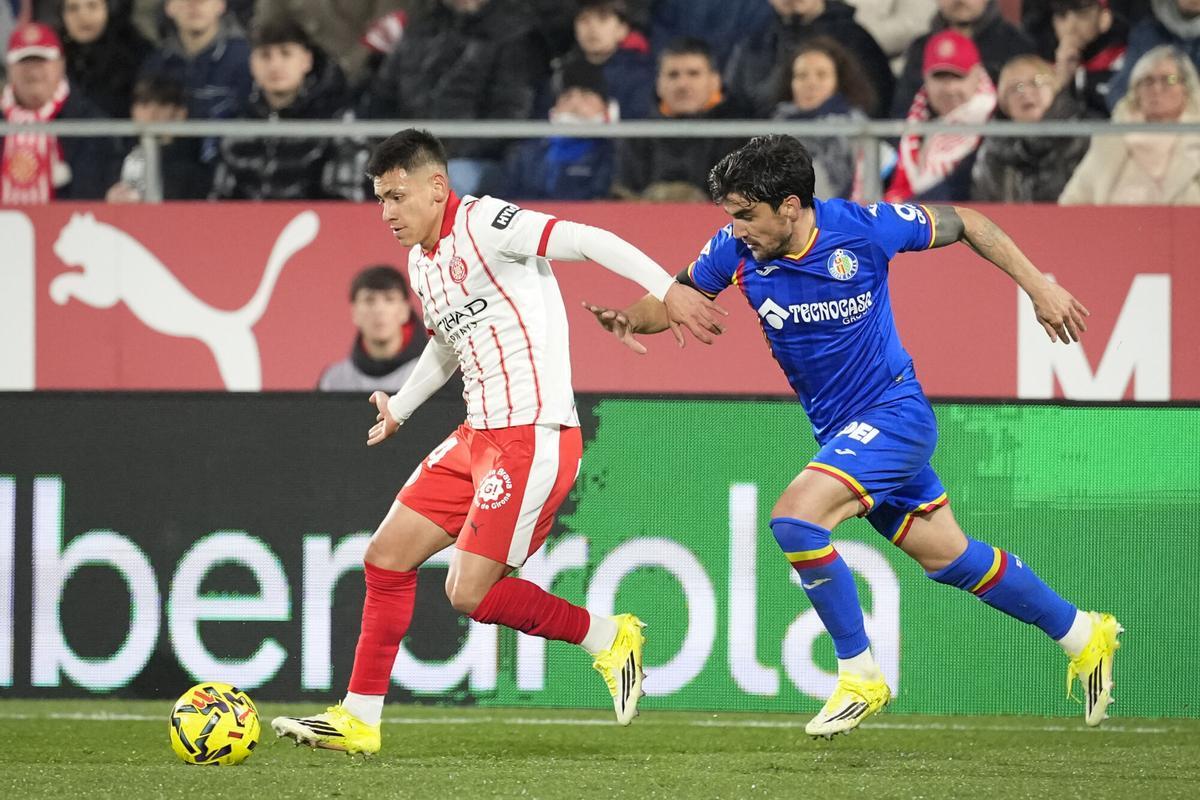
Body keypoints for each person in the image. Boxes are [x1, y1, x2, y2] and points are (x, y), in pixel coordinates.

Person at [585, 134, 1122, 738]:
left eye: (746, 215)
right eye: (730, 216)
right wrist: (633, 317)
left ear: (790, 206)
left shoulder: (863, 228)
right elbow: (676, 297)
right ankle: (1083, 631)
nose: (735, 229)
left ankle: (859, 673)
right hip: (845, 433)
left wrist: (1039, 286)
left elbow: (967, 221)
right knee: (949, 557)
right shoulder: (734, 251)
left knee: (795, 520)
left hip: (895, 414)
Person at [270, 128, 725, 754]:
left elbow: (587, 239)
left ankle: (606, 635)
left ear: (437, 186)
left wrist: (670, 289)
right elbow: (447, 341)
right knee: (385, 558)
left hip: (532, 435)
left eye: (397, 197)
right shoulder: (421, 263)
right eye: (380, 199)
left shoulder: (488, 224)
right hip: (475, 436)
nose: (387, 214)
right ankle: (359, 718)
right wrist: (401, 406)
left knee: (469, 593)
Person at [209, 17, 358, 201]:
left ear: (306, 60)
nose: (275, 65)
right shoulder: (236, 119)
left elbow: (348, 201)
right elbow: (220, 198)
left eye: (286, 54)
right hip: (246, 227)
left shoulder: (336, 119)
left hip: (314, 226)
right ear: (252, 64)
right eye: (265, 55)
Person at [1060, 44, 1200, 203]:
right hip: (1116, 226)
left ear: (1187, 88)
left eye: (1169, 79)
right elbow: (1072, 201)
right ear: (1135, 91)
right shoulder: (1109, 140)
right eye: (1147, 81)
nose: (1157, 88)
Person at [613, 36, 747, 201]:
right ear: (659, 84)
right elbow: (624, 196)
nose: (682, 84)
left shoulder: (740, 134)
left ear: (715, 81)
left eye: (693, 74)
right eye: (673, 75)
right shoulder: (636, 137)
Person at [2, 21, 122, 203]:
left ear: (61, 64)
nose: (33, 70)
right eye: (24, 61)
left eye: (42, 60)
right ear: (9, 69)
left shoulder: (93, 125)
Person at [885, 29, 996, 203]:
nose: (949, 89)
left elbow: (963, 187)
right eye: (939, 78)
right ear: (925, 78)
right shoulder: (912, 122)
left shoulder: (995, 123)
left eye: (958, 77)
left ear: (977, 75)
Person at [970, 54, 1093, 202]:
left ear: (1054, 87)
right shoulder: (993, 153)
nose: (1025, 93)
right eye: (1015, 88)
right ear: (1005, 104)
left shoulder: (1083, 136)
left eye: (1036, 82)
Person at [770, 36, 876, 199]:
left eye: (822, 75)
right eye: (801, 76)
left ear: (838, 82)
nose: (811, 83)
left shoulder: (857, 128)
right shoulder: (773, 131)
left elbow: (870, 188)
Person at [506, 59, 616, 200]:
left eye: (586, 96)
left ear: (606, 108)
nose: (575, 105)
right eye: (567, 97)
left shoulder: (613, 154)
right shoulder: (524, 153)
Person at [318, 265, 428, 392]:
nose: (379, 309)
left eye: (389, 299)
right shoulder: (333, 382)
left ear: (404, 311)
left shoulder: (437, 376)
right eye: (369, 300)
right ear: (354, 312)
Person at [106, 73, 213, 202]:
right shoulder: (117, 157)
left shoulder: (191, 167)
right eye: (144, 103)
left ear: (180, 112)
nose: (152, 113)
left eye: (162, 104)